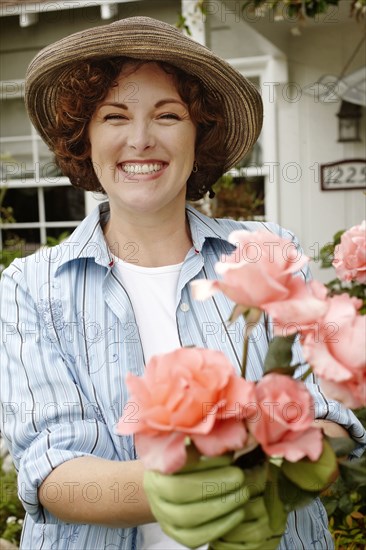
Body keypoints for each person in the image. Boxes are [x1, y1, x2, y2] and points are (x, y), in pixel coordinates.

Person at [0, 16, 365, 550]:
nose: (141, 139)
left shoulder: (266, 254)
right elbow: (53, 471)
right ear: (86, 136)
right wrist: (180, 486)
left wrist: (263, 476)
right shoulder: (29, 286)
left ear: (201, 134)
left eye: (168, 115)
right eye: (114, 116)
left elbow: (327, 422)